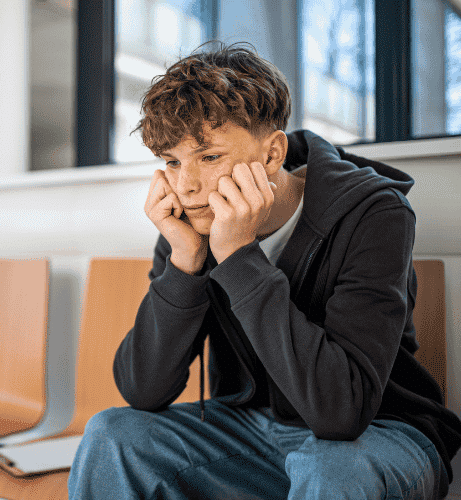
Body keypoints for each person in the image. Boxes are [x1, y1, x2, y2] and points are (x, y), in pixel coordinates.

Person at [68, 42, 461, 499]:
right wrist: (185, 264)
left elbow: (342, 412)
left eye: (209, 157)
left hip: (379, 435)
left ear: (273, 155)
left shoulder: (375, 214)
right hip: (251, 429)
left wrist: (237, 257)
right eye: (172, 162)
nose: (187, 184)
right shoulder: (192, 220)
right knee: (112, 435)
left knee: (332, 471)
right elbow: (143, 390)